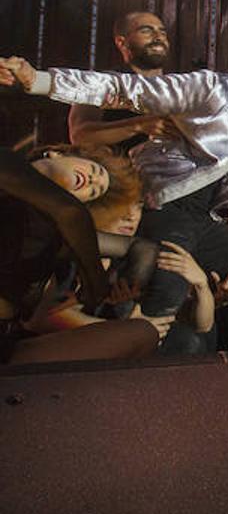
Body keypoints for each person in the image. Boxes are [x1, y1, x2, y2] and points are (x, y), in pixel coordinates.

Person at [0, 42, 228, 427]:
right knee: (166, 301)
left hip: (202, 217)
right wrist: (38, 80)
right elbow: (129, 91)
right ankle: (142, 413)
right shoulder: (212, 89)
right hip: (164, 205)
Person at [0, 146, 161, 365]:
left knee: (143, 333)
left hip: (7, 344)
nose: (92, 182)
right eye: (94, 170)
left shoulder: (55, 240)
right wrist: (95, 280)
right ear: (56, 153)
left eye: (94, 192)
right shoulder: (7, 162)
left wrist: (127, 283)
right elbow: (69, 213)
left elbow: (142, 248)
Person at [67, 10, 176, 151]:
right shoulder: (102, 83)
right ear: (121, 42)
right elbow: (80, 136)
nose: (158, 37)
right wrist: (139, 125)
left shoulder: (179, 86)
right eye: (146, 31)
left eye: (162, 32)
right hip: (120, 170)